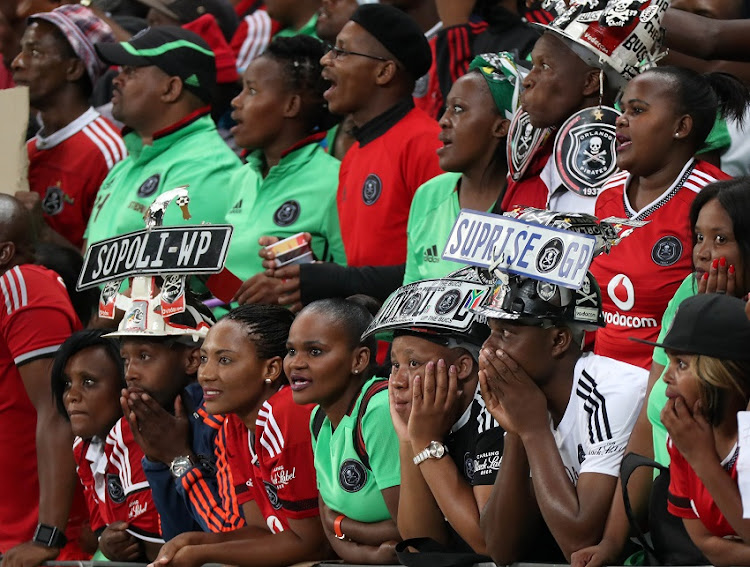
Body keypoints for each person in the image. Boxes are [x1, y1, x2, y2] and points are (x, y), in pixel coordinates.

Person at [572, 177, 750, 567]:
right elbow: (646, 430)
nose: (703, 253)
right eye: (698, 238)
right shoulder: (688, 295)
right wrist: (613, 541)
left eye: (720, 240)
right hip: (674, 512)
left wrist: (721, 325)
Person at [476, 270, 648, 563]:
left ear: (558, 340)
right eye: (490, 332)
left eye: (506, 333)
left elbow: (580, 542)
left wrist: (532, 430)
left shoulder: (611, 391)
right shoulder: (519, 399)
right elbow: (501, 549)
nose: (488, 349)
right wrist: (517, 433)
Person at [147, 305, 331, 567]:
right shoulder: (234, 423)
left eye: (224, 360)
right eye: (203, 359)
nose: (205, 375)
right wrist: (194, 542)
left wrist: (203, 554)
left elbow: (313, 545)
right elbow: (261, 531)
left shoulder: (289, 412)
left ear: (271, 369)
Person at [590, 66, 749, 369]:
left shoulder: (716, 202)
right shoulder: (606, 193)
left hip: (667, 382)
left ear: (681, 127)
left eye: (637, 110)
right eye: (621, 109)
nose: (620, 120)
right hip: (596, 375)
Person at [364, 272, 503, 553]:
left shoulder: (495, 412)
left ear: (462, 367)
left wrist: (427, 443)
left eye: (414, 363)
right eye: (394, 365)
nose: (398, 381)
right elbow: (421, 544)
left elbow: (488, 541)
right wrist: (408, 440)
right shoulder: (425, 419)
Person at [500, 0, 666, 215]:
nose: (527, 80)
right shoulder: (528, 166)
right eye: (533, 66)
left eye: (544, 66)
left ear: (590, 82)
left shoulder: (630, 180)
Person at [84, 26, 242, 249]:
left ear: (171, 89)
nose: (116, 80)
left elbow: (171, 278)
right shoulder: (125, 166)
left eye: (130, 70)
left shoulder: (208, 169)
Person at [224, 35, 345, 306]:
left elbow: (352, 286)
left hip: (294, 342)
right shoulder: (240, 178)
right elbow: (229, 288)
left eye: (252, 91)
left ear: (291, 105)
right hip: (224, 335)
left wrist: (292, 290)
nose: (237, 101)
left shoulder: (336, 180)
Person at [100, 285, 215, 560]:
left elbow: (224, 530)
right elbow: (176, 536)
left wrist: (176, 457)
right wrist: (155, 458)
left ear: (192, 359)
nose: (130, 374)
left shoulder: (221, 419)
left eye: (144, 357)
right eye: (126, 359)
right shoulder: (158, 426)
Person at [0, 195, 85, 566]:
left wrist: (48, 534)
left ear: (4, 253)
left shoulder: (24, 284)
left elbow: (59, 409)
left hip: (31, 536)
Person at [286, 298, 401, 564]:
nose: (295, 363)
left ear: (359, 360)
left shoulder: (379, 409)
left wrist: (343, 526)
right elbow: (329, 528)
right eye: (291, 351)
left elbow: (411, 530)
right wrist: (371, 554)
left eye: (314, 352)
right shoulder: (318, 417)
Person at [641, 293, 750, 566]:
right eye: (668, 360)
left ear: (722, 374)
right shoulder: (684, 435)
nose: (666, 375)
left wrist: (702, 458)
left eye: (681, 364)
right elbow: (705, 544)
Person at [12, 5, 125, 250]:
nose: (17, 63)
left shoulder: (108, 152)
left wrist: (40, 231)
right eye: (22, 50)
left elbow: (105, 271)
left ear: (73, 69)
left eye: (34, 51)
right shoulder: (27, 150)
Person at [404, 51, 519, 284]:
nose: (443, 120)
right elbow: (410, 297)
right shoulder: (428, 195)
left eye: (458, 109)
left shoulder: (527, 203)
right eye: (446, 108)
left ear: (501, 127)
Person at [51, 330, 126, 554]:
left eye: (89, 382)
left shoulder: (145, 443)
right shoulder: (83, 449)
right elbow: (102, 532)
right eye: (66, 383)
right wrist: (105, 541)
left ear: (125, 383)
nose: (71, 395)